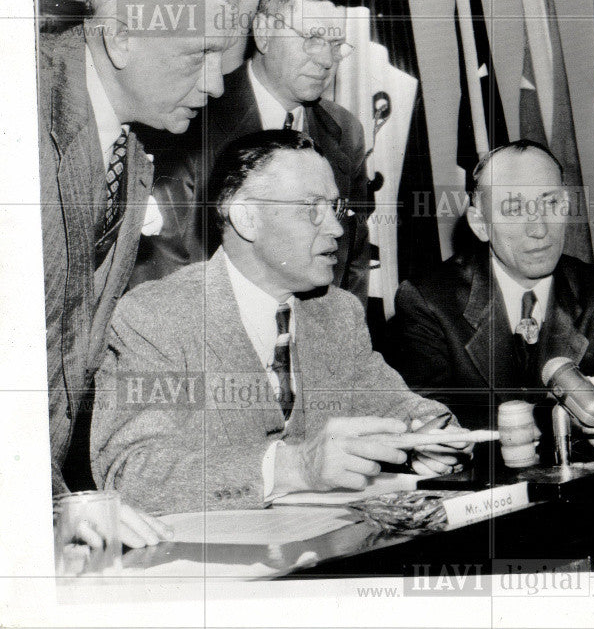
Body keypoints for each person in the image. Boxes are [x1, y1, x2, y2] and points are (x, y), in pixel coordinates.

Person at [92, 131, 463, 514]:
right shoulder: (158, 319)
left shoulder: (337, 313)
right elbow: (131, 475)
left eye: (335, 208)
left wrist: (431, 433)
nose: (336, 229)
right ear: (247, 218)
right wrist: (294, 467)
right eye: (311, 208)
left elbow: (396, 407)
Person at [38, 0, 243, 546]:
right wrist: (44, 504)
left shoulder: (126, 154)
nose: (215, 83)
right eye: (197, 55)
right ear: (123, 37)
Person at [390, 139, 594, 440]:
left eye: (551, 203)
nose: (539, 229)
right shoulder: (428, 300)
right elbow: (430, 420)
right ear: (480, 224)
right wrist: (558, 419)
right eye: (514, 208)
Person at [129, 0, 369, 307]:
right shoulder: (190, 122)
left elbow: (353, 261)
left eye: (336, 45)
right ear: (264, 33)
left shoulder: (346, 133)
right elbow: (163, 276)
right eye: (313, 39)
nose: (327, 60)